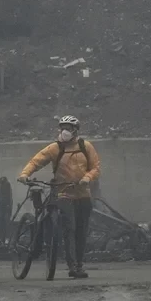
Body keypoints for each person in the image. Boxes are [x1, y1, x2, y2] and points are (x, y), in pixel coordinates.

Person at [17, 115, 101, 278]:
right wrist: (25, 174)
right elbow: (36, 161)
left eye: (68, 128)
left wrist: (87, 178)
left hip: (83, 194)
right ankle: (72, 267)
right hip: (63, 192)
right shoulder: (55, 148)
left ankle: (79, 264)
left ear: (75, 130)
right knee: (69, 228)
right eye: (62, 128)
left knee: (81, 231)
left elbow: (96, 168)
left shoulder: (86, 146)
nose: (64, 132)